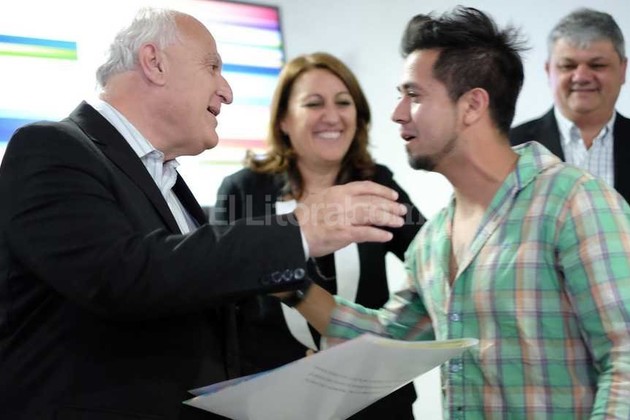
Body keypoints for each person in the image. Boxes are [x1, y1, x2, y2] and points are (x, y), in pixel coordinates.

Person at [0, 8, 408, 420]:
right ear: (154, 63)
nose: (226, 91)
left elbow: (196, 312)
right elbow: (119, 276)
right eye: (213, 67)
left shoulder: (167, 181)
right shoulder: (51, 148)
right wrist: (299, 228)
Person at [284, 6, 630, 419]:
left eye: (414, 95)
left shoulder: (574, 202)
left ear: (472, 105)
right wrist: (291, 285)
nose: (397, 113)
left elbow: (624, 358)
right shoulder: (434, 239)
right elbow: (384, 340)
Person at [214, 52, 425, 419]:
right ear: (283, 119)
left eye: (343, 103)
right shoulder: (243, 191)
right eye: (314, 104)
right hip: (279, 399)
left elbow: (432, 259)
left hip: (372, 397)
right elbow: (218, 295)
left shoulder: (376, 183)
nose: (332, 116)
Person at [510, 8, 630, 202]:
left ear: (623, 70)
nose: (581, 77)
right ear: (548, 71)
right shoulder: (512, 147)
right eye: (568, 66)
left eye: (597, 65)